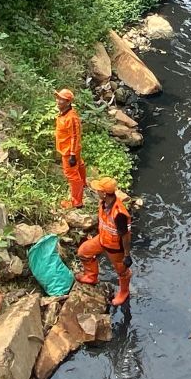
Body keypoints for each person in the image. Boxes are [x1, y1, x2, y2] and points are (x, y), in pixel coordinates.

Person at [75, 177, 133, 306]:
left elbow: (125, 236)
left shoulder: (119, 214)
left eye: (98, 190)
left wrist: (127, 255)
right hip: (102, 239)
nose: (96, 192)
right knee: (84, 252)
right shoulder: (104, 203)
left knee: (122, 271)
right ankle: (91, 276)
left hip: (115, 248)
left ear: (105, 193)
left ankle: (124, 292)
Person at [54, 88, 86, 209]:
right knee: (79, 166)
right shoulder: (64, 113)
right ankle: (83, 184)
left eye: (61, 99)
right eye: (58, 98)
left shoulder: (71, 117)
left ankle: (76, 202)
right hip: (67, 150)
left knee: (71, 174)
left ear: (68, 102)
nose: (58, 101)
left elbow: (75, 136)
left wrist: (72, 154)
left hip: (69, 152)